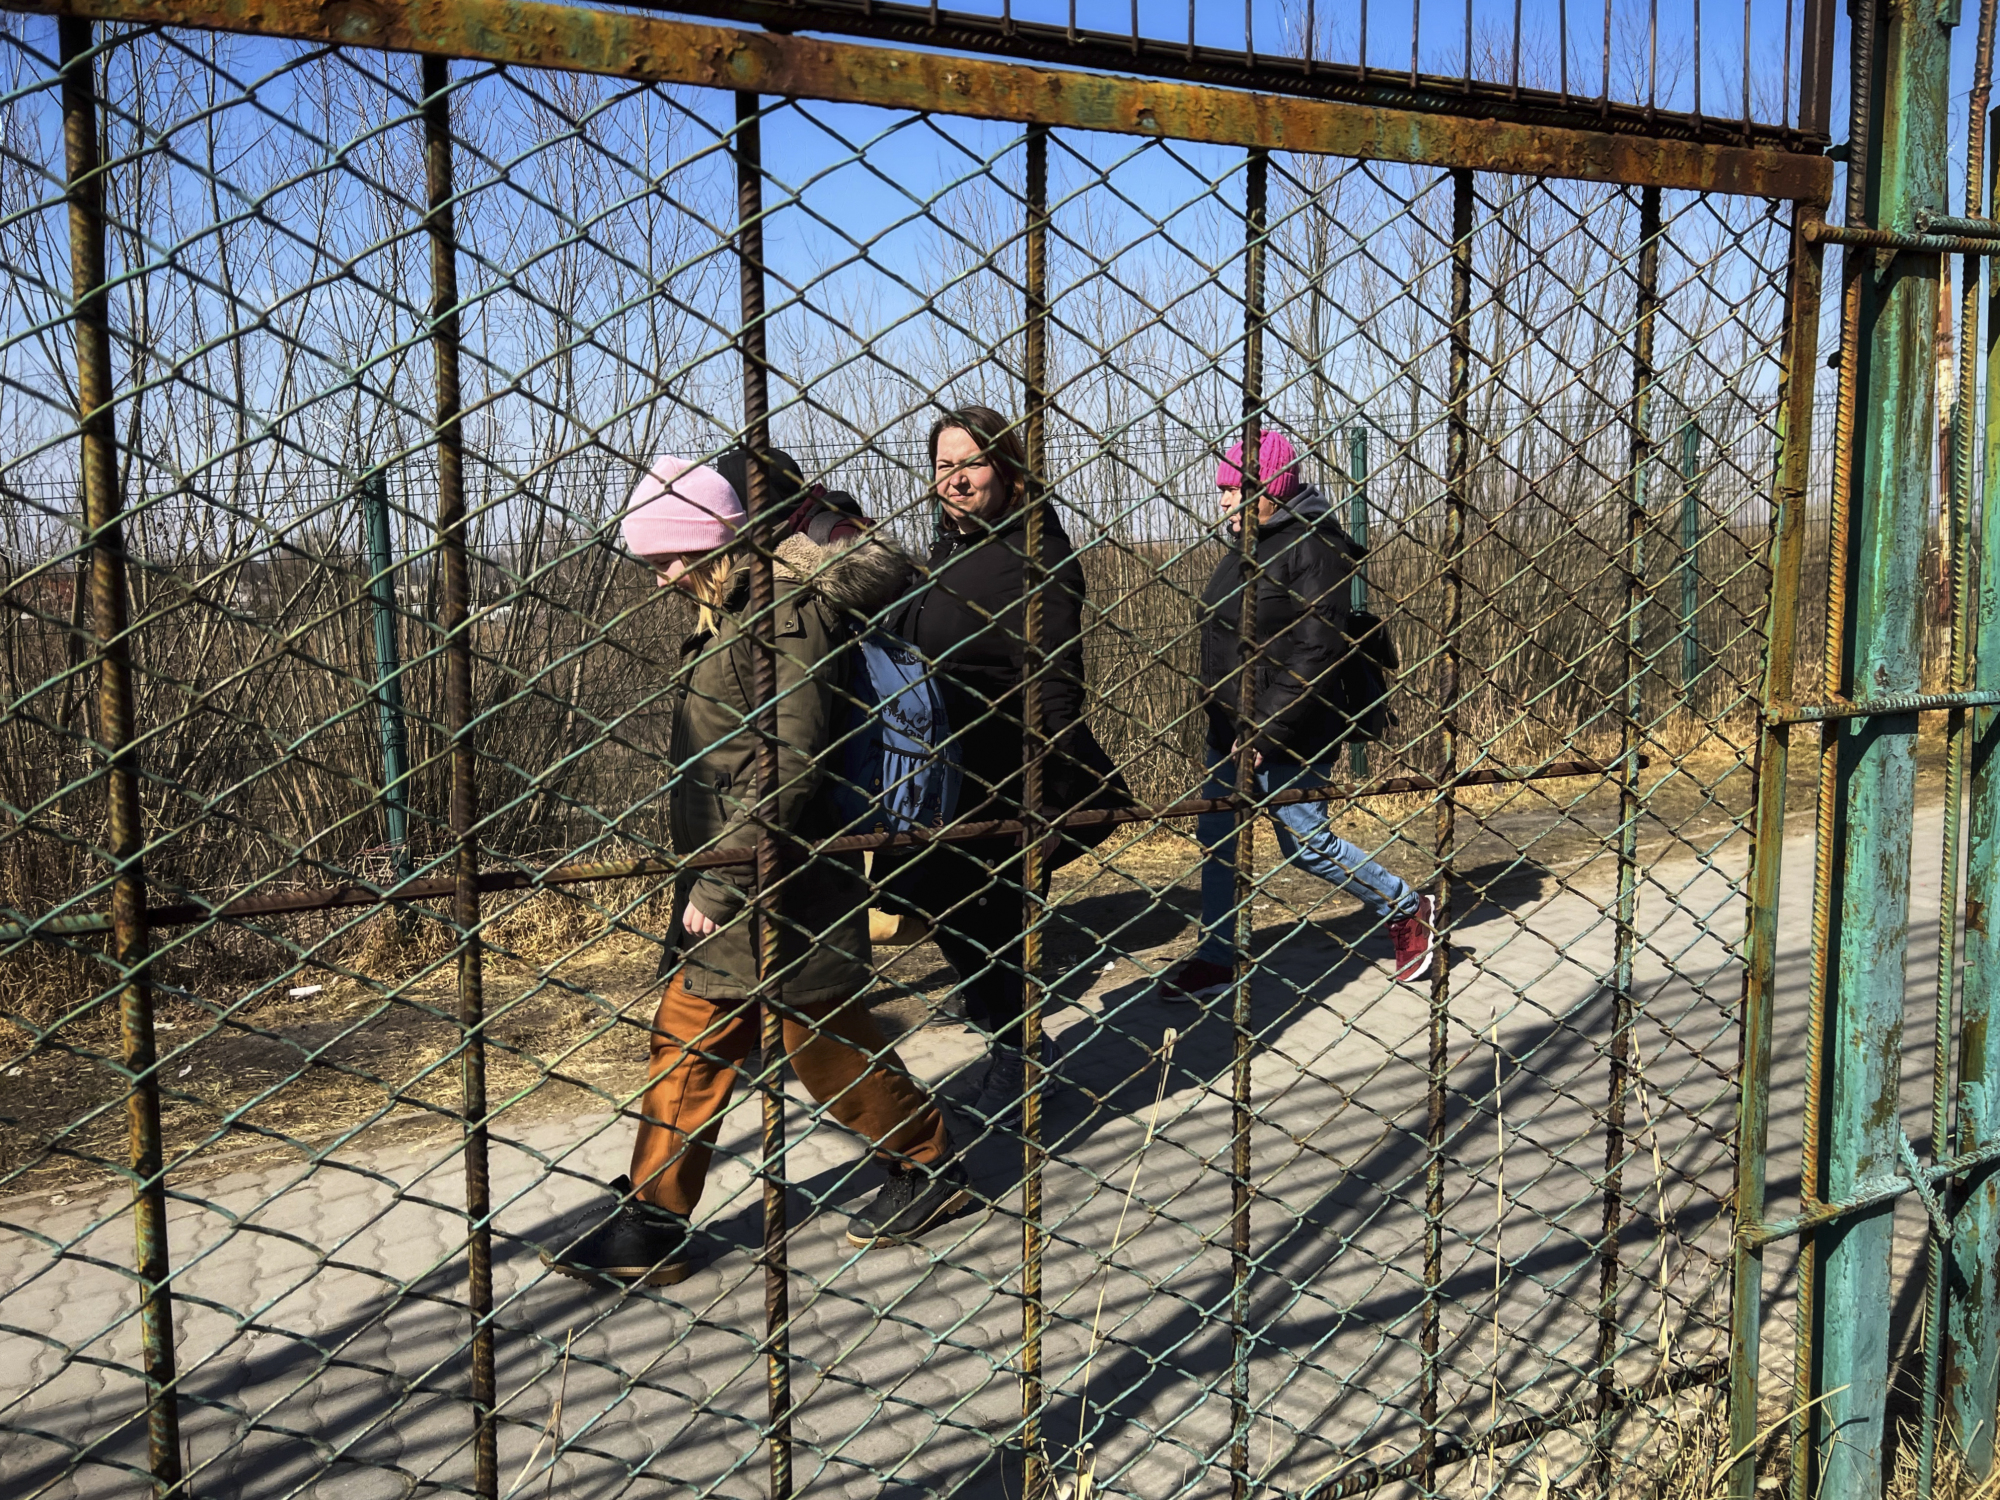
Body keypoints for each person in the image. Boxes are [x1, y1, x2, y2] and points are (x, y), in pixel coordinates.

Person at [545, 452, 968, 1287]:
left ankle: (925, 1160)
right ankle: (654, 1217)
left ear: (716, 541)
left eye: (673, 556)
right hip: (742, 873)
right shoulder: (725, 608)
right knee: (701, 1037)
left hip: (781, 877)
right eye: (650, 561)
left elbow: (788, 762)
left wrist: (719, 882)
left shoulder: (782, 614)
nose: (662, 577)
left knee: (816, 1040)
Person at [884, 405, 1129, 1129]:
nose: (953, 480)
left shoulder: (1037, 555)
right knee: (958, 922)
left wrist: (1048, 793)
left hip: (1010, 775)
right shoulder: (946, 551)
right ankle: (1019, 1056)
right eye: (941, 467)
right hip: (945, 780)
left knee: (992, 928)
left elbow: (1055, 677)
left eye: (970, 464)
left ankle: (1026, 1067)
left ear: (1008, 470)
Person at [1155, 429, 1437, 1002]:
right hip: (1229, 727)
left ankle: (1407, 906)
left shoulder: (1314, 547)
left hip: (1291, 725)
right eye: (1222, 489)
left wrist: (1268, 726)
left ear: (1274, 491)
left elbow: (1317, 647)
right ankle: (1218, 955)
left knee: (1305, 843)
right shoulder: (1243, 548)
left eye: (1237, 489)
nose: (1224, 501)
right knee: (1218, 836)